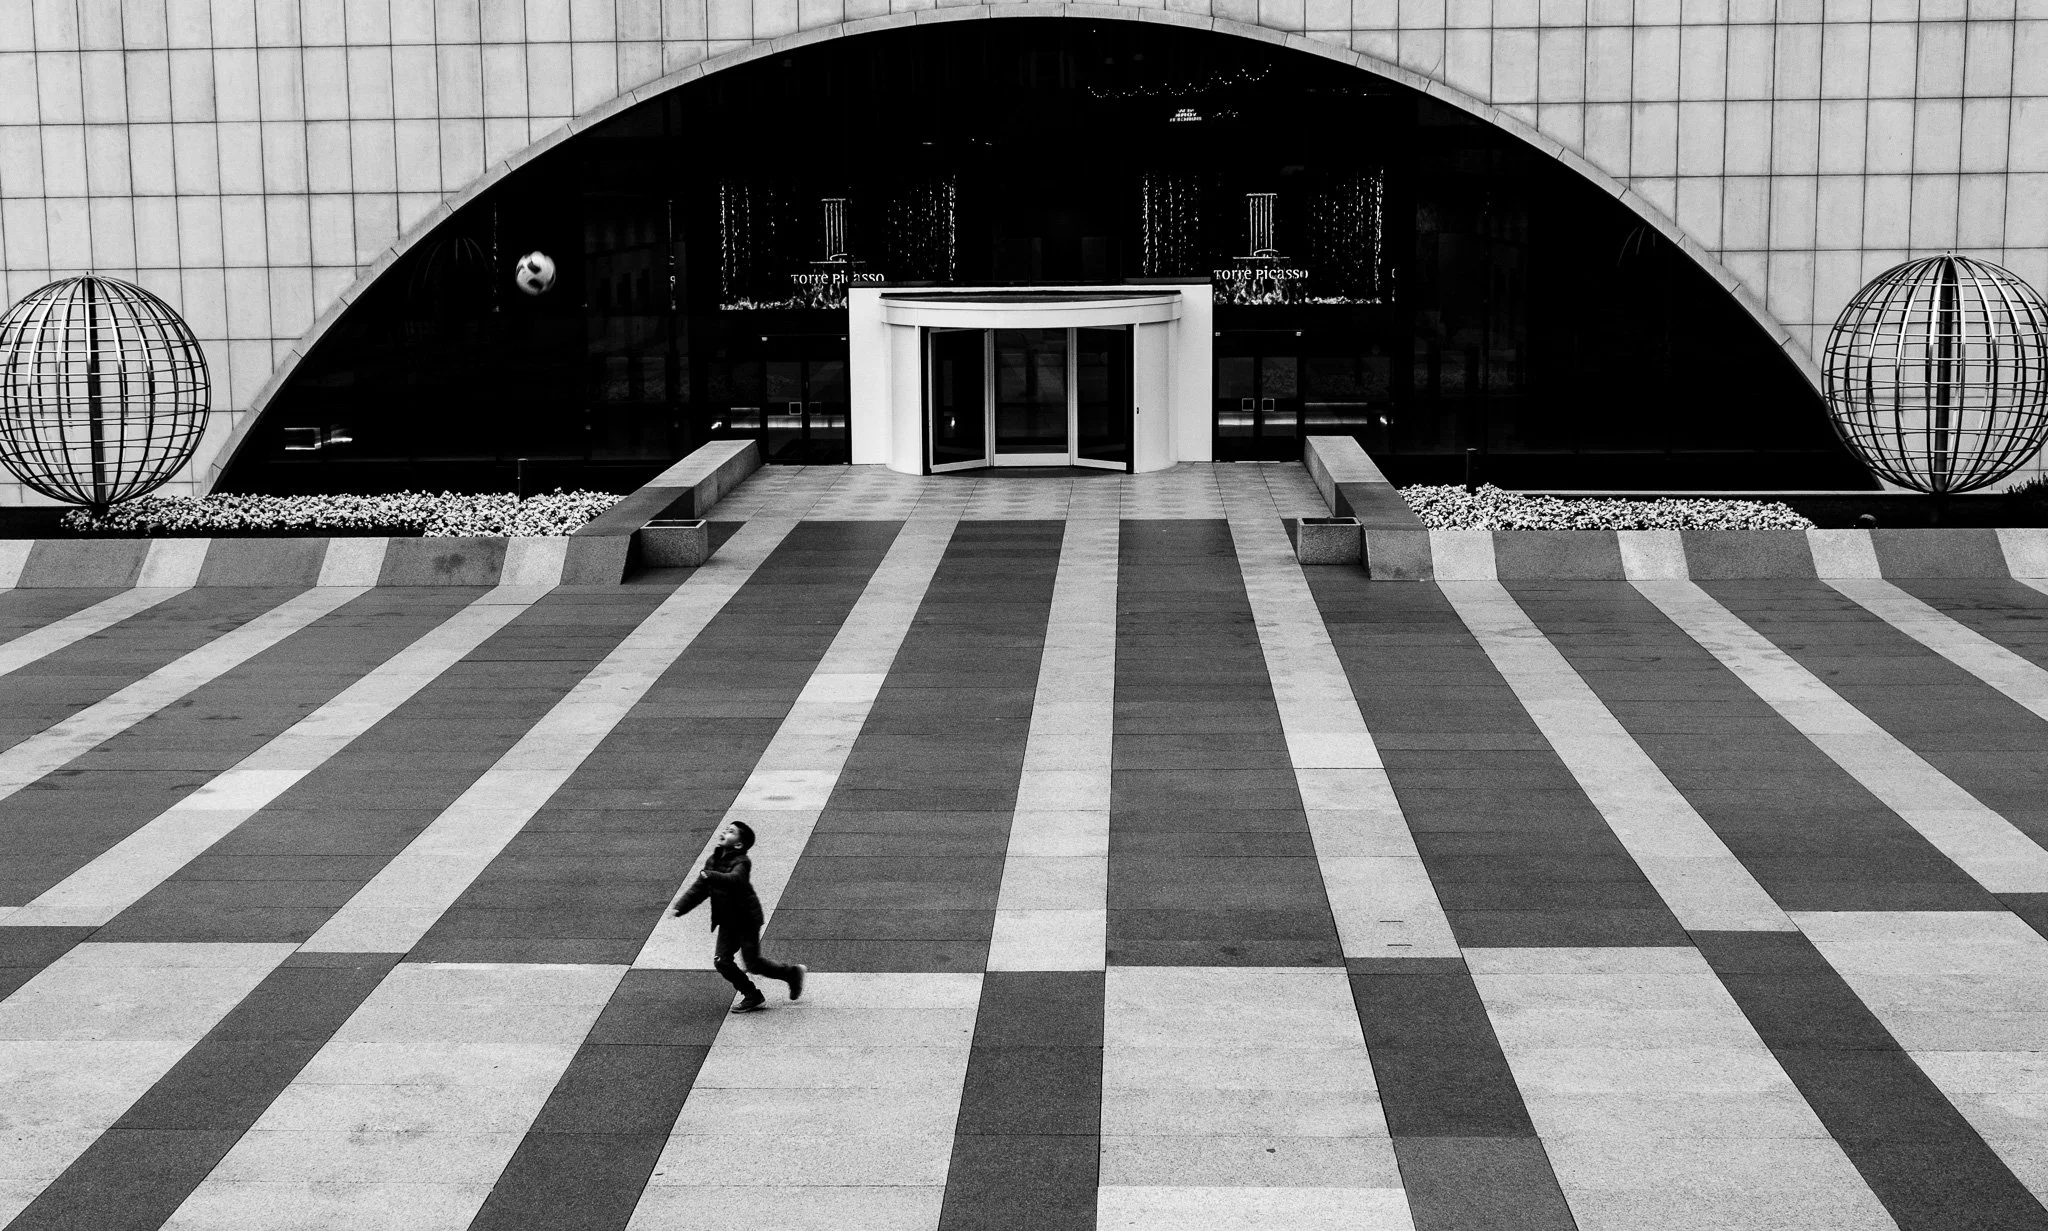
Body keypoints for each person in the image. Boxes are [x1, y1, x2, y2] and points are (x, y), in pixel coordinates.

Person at [673, 819, 805, 1012]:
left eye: (731, 831)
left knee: (753, 964)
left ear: (738, 845)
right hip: (727, 921)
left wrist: (711, 875)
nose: (725, 832)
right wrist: (680, 907)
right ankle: (752, 995)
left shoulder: (742, 862)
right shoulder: (713, 860)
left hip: (746, 920)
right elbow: (699, 889)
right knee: (722, 961)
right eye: (726, 829)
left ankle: (791, 973)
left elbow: (735, 879)